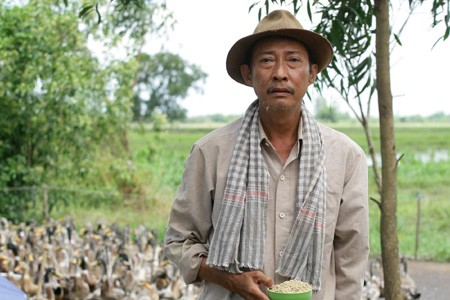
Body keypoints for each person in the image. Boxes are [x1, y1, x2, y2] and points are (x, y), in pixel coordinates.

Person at [164, 9, 369, 300]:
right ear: (248, 74)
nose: (280, 73)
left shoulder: (346, 156)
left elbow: (351, 256)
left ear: (312, 74)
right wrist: (228, 279)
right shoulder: (210, 152)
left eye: (294, 60)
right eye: (267, 60)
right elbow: (178, 241)